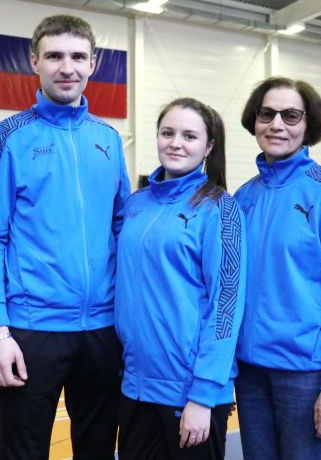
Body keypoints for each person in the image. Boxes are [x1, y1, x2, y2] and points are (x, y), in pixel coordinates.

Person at [0, 14, 130, 459]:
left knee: (98, 451)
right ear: (34, 62)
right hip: (30, 329)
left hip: (103, 330)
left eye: (78, 57)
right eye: (55, 56)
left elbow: (123, 228)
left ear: (93, 64)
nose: (67, 67)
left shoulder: (108, 139)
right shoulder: (8, 137)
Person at [234, 76, 321, 459]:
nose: (277, 124)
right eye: (266, 114)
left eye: (290, 115)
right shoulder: (242, 197)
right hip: (249, 372)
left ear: (308, 124)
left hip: (305, 374)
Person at [115, 98, 246, 460]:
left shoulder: (220, 209)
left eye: (189, 136)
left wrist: (203, 395)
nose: (176, 143)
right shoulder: (136, 204)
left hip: (190, 393)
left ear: (209, 146)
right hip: (136, 387)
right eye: (167, 133)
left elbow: (226, 305)